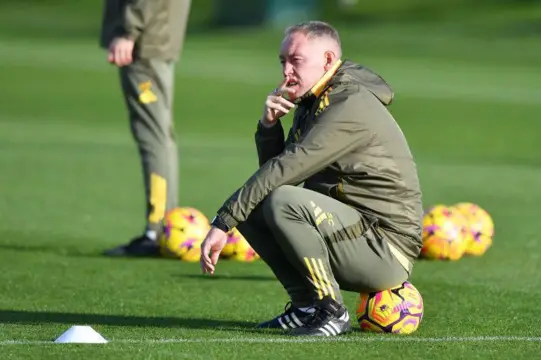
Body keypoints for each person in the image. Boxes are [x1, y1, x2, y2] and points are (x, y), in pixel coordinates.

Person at [200, 21, 424, 337]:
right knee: (251, 207)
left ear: (328, 60)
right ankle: (306, 308)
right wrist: (269, 128)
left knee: (272, 201)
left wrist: (222, 223)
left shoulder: (348, 104)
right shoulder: (315, 99)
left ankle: (330, 309)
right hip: (353, 233)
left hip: (385, 249)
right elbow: (276, 178)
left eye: (296, 60)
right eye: (283, 61)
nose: (287, 71)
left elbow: (285, 174)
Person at [99, 0, 192, 256]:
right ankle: (163, 228)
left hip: (145, 40)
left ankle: (157, 230)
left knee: (153, 136)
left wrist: (129, 30)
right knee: (160, 135)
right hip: (156, 36)